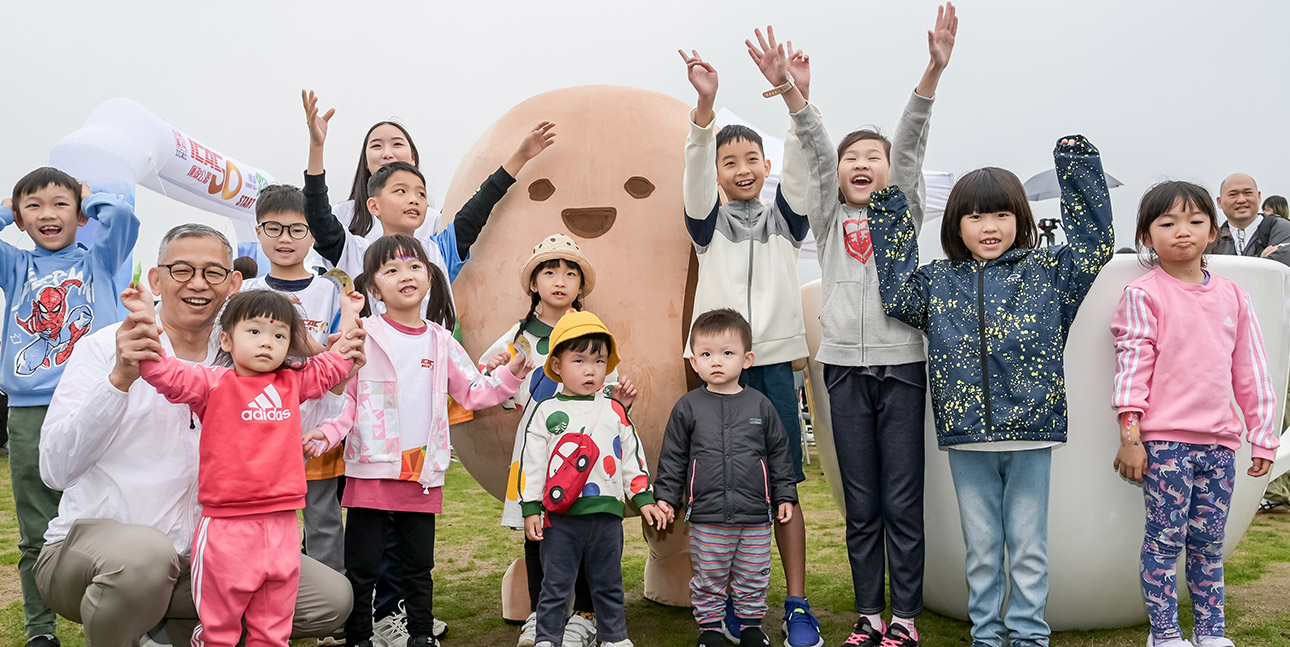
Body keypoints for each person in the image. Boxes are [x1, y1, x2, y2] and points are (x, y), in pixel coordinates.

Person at [37, 224, 360, 647]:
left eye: (212, 273)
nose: (197, 283)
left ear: (233, 284)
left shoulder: (254, 356)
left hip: (212, 553)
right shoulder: (105, 348)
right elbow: (54, 470)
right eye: (181, 269)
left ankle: (176, 630)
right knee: (145, 559)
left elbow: (307, 421)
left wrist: (339, 364)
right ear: (156, 279)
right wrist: (119, 379)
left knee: (330, 598)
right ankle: (135, 629)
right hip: (98, 553)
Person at [868, 136, 1114, 647]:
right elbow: (894, 293)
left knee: (1027, 547)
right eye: (976, 217)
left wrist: (1076, 165)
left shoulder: (1050, 274)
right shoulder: (936, 281)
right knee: (981, 548)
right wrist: (890, 208)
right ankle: (987, 634)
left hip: (1030, 435)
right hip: (967, 439)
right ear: (956, 224)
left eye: (1001, 215)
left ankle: (1027, 635)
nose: (990, 227)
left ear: (1020, 220)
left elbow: (1095, 246)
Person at [783, 5, 957, 645]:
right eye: (853, 155)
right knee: (862, 505)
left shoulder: (900, 211)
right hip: (844, 373)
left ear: (890, 172)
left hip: (904, 364)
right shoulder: (829, 220)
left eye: (873, 157)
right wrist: (797, 97)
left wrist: (932, 72)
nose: (861, 163)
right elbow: (815, 155)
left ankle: (903, 619)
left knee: (902, 501)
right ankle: (866, 616)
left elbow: (912, 140)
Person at [307, 234, 533, 647]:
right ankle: (359, 637)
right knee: (362, 567)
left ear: (429, 278)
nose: (404, 276)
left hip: (420, 473)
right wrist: (327, 433)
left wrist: (512, 374)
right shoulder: (365, 335)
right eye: (390, 270)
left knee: (418, 566)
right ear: (375, 289)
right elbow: (346, 400)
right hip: (370, 471)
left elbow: (473, 392)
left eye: (413, 267)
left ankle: (421, 635)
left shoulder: (441, 341)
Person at [677, 32, 820, 646]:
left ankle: (795, 602)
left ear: (767, 168)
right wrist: (706, 111)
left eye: (751, 161)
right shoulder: (706, 226)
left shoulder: (787, 222)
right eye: (729, 163)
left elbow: (808, 164)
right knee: (721, 490)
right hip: (717, 370)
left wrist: (796, 97)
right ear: (717, 174)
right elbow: (695, 164)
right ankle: (731, 605)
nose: (742, 170)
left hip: (773, 366)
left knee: (780, 488)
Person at [123, 284, 363, 647]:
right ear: (226, 340)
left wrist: (350, 312)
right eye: (254, 331)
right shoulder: (212, 384)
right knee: (220, 631)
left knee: (273, 631)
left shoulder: (292, 382)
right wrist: (143, 314)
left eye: (279, 334)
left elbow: (338, 361)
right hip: (226, 527)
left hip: (282, 523)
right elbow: (161, 371)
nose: (267, 342)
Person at [1111, 181, 1278, 647]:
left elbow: (1252, 371)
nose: (1182, 232)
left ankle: (1211, 633)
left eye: (1195, 221)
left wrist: (1263, 437)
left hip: (1220, 448)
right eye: (1167, 223)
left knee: (1208, 546)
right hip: (1164, 446)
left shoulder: (1234, 297)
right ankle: (1164, 634)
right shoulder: (1143, 294)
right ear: (1146, 236)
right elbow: (1132, 368)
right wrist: (1131, 435)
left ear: (1213, 231)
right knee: (1163, 541)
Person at [0, 167, 139, 647]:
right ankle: (41, 631)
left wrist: (90, 196)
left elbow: (120, 216)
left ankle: (123, 619)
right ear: (20, 218)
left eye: (59, 204)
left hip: (95, 399)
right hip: (30, 408)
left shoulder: (99, 260)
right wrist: (8, 209)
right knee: (36, 524)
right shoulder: (15, 266)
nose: (47, 214)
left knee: (114, 512)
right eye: (33, 206)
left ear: (80, 215)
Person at [480, 233, 636, 647]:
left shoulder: (590, 330)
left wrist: (618, 404)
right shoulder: (519, 334)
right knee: (539, 529)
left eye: (571, 272)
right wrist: (501, 369)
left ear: (581, 286)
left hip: (588, 449)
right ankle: (540, 614)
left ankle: (585, 614)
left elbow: (609, 385)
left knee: (589, 530)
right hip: (540, 447)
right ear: (534, 283)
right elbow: (488, 375)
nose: (560, 280)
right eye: (550, 271)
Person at [301, 90, 555, 288]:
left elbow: (480, 205)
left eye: (420, 193)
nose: (414, 200)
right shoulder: (354, 253)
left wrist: (521, 156)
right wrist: (315, 147)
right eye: (400, 191)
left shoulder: (438, 252)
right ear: (373, 205)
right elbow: (317, 213)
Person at [517, 311, 665, 647]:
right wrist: (530, 508)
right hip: (561, 519)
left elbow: (631, 457)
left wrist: (644, 499)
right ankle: (547, 638)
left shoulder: (615, 410)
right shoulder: (544, 411)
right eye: (579, 360)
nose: (589, 369)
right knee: (554, 585)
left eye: (598, 361)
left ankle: (615, 638)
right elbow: (533, 463)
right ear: (557, 365)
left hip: (607, 518)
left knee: (609, 584)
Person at [653, 308, 797, 647]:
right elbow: (673, 457)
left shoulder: (761, 406)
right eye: (706, 354)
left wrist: (785, 495)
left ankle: (750, 628)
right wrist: (665, 496)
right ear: (694, 361)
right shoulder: (687, 407)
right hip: (707, 517)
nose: (716, 362)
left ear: (747, 359)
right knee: (709, 579)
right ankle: (711, 631)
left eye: (727, 353)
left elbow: (779, 454)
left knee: (753, 577)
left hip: (755, 518)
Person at [241, 184, 350, 577]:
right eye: (273, 228)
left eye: (296, 229)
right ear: (258, 232)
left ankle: (328, 615)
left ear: (312, 235)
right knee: (266, 522)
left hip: (317, 432)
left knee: (323, 522)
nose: (285, 238)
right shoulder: (245, 294)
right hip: (258, 431)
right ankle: (267, 602)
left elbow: (342, 365)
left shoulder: (332, 292)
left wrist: (305, 344)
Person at [1206, 174, 1290, 265]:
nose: (1241, 200)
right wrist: (1262, 261)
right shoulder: (1212, 239)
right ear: (1219, 202)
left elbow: (1280, 265)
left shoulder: (1282, 228)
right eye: (1233, 194)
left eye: (1248, 193)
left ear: (1258, 196)